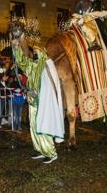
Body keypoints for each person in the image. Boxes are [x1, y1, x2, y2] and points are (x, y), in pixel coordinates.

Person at [13, 35, 61, 164]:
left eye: (36, 51)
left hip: (43, 102)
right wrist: (16, 46)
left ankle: (51, 153)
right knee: (34, 126)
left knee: (43, 126)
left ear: (42, 52)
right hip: (32, 101)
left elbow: (49, 84)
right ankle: (40, 149)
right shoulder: (32, 65)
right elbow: (21, 61)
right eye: (33, 51)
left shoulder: (45, 64)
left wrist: (38, 93)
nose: (34, 53)